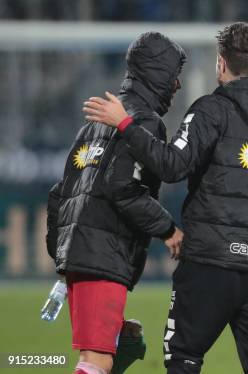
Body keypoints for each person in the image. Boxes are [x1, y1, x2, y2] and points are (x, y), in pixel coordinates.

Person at [83, 22, 248, 374]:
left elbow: (172, 166)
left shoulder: (211, 110)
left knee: (183, 356)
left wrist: (126, 125)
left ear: (221, 63)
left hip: (209, 260)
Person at [46, 32, 186, 374]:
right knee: (95, 361)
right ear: (157, 75)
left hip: (83, 254)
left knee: (117, 347)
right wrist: (168, 229)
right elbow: (122, 187)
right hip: (102, 253)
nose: (178, 84)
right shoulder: (144, 123)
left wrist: (63, 252)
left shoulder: (91, 127)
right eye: (173, 74)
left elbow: (59, 193)